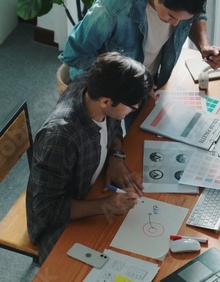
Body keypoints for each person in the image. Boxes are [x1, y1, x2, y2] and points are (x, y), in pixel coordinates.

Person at [26, 52, 152, 264]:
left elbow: (115, 127)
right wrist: (105, 206)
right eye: (132, 106)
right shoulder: (59, 139)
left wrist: (116, 155)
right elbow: (47, 210)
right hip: (60, 221)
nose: (136, 108)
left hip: (90, 186)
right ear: (106, 101)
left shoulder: (94, 85)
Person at [58, 0, 220, 128]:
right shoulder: (112, 7)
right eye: (171, 16)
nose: (176, 24)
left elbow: (196, 15)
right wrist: (129, 82)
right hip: (106, 87)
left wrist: (204, 46)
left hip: (147, 82)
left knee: (142, 140)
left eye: (182, 20)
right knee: (105, 154)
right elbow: (75, 54)